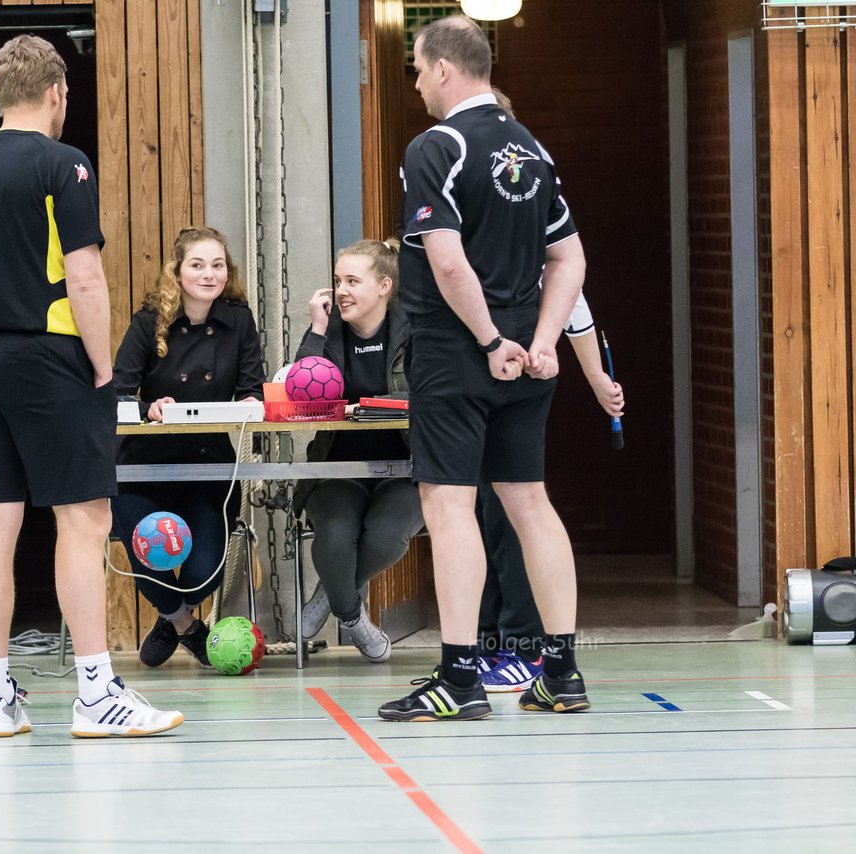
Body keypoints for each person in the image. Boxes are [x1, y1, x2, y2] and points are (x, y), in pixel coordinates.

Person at [0, 35, 183, 738]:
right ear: (57, 94)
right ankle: (97, 694)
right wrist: (104, 367)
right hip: (47, 355)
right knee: (84, 520)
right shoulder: (63, 164)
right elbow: (85, 275)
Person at [378, 16, 591, 722]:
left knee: (449, 506)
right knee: (530, 501)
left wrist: (492, 339)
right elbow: (570, 259)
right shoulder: (532, 148)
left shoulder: (436, 146)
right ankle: (559, 671)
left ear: (444, 68)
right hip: (529, 361)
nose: (415, 83)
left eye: (416, 69)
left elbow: (445, 258)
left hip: (457, 356)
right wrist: (543, 339)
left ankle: (460, 677)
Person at [111, 227, 265, 668]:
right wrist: (148, 407)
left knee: (204, 571)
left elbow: (251, 388)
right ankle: (188, 627)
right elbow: (118, 393)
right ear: (177, 272)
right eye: (197, 265)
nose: (209, 274)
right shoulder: (148, 320)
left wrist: (251, 402)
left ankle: (169, 621)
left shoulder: (238, 319)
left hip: (208, 464)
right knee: (150, 557)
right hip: (143, 466)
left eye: (218, 265)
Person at [477, 291, 625, 693]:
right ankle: (485, 644)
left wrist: (594, 376)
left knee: (517, 509)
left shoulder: (540, 239)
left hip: (515, 371)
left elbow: (571, 294)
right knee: (477, 506)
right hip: (471, 371)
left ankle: (528, 650)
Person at [293, 239, 423, 663]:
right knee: (333, 535)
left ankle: (328, 599)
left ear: (385, 285)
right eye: (337, 281)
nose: (341, 290)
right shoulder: (327, 331)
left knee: (386, 537)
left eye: (352, 281)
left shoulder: (415, 329)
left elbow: (435, 393)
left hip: (404, 467)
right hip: (340, 465)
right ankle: (353, 617)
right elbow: (300, 396)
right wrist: (314, 330)